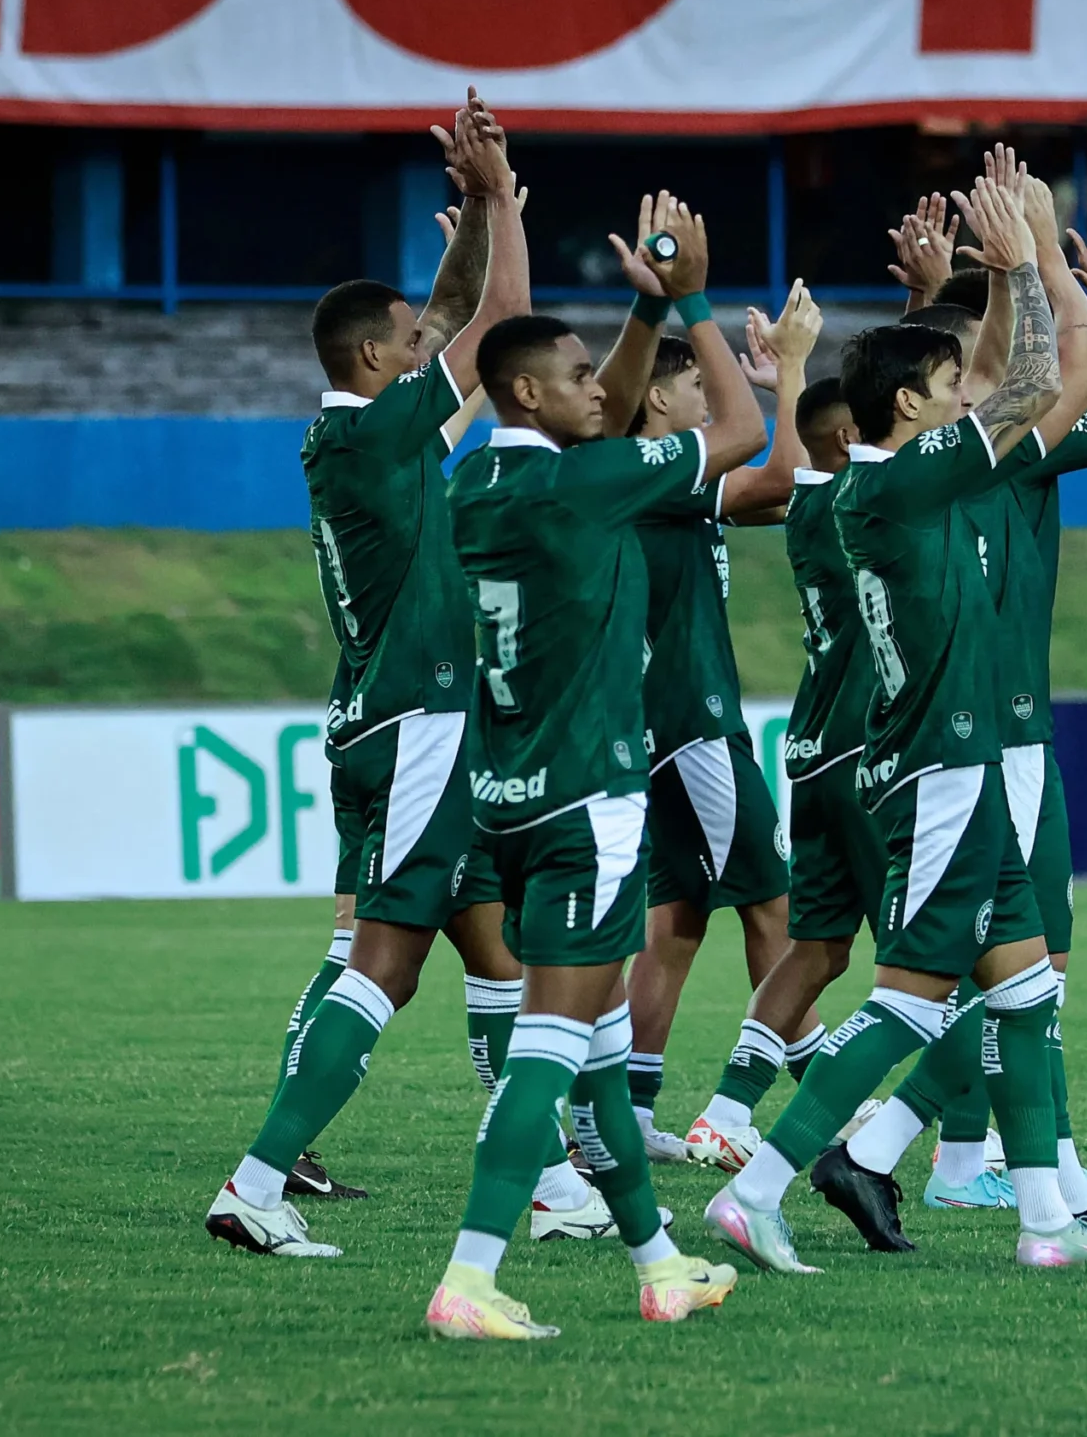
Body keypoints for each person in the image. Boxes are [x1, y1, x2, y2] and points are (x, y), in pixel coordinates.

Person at [703, 172, 1087, 1273]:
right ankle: (761, 1183)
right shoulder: (905, 484)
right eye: (948, 384)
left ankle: (1048, 1220)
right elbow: (1048, 373)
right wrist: (1018, 259)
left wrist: (1003, 281)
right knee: (912, 993)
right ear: (909, 405)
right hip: (944, 764)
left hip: (960, 758)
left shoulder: (890, 477)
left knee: (1027, 983)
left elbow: (1011, 373)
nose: (968, 394)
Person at [813, 184, 1087, 1250]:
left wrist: (1030, 291)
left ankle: (989, 1170)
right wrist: (1048, 278)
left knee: (1020, 981)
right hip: (981, 734)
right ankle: (957, 1166)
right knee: (1022, 978)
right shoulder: (979, 448)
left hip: (999, 726)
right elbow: (1076, 377)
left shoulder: (999, 443)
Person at [421, 264, 787, 1338]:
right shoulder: (585, 483)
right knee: (551, 1047)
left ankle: (661, 1262)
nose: (605, 391)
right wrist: (697, 303)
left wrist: (640, 312)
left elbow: (607, 415)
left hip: (506, 799)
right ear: (529, 395)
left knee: (598, 1045)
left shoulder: (471, 486)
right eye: (581, 377)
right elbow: (736, 425)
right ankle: (470, 1274)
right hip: (587, 802)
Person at [203, 90, 534, 1258]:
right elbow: (488, 322)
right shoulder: (380, 427)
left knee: (499, 952)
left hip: (386, 717)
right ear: (373, 357)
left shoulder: (362, 440)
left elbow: (495, 343)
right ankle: (256, 1177)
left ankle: (539, 1175)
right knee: (383, 963)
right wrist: (490, 195)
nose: (421, 348)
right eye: (406, 341)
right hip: (421, 719)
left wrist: (493, 216)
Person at [621, 314, 807, 1162]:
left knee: (680, 923)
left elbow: (783, 489)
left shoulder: (663, 484)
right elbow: (786, 473)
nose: (709, 402)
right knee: (774, 904)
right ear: (657, 398)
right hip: (693, 725)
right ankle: (817, 1099)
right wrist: (788, 379)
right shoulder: (658, 476)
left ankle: (625, 1111)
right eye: (698, 386)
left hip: (665, 728)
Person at [683, 369, 869, 1171]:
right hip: (873, 752)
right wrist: (791, 373)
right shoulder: (864, 505)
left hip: (813, 750)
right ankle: (957, 1151)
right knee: (938, 961)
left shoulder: (816, 512)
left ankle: (728, 1111)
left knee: (819, 948)